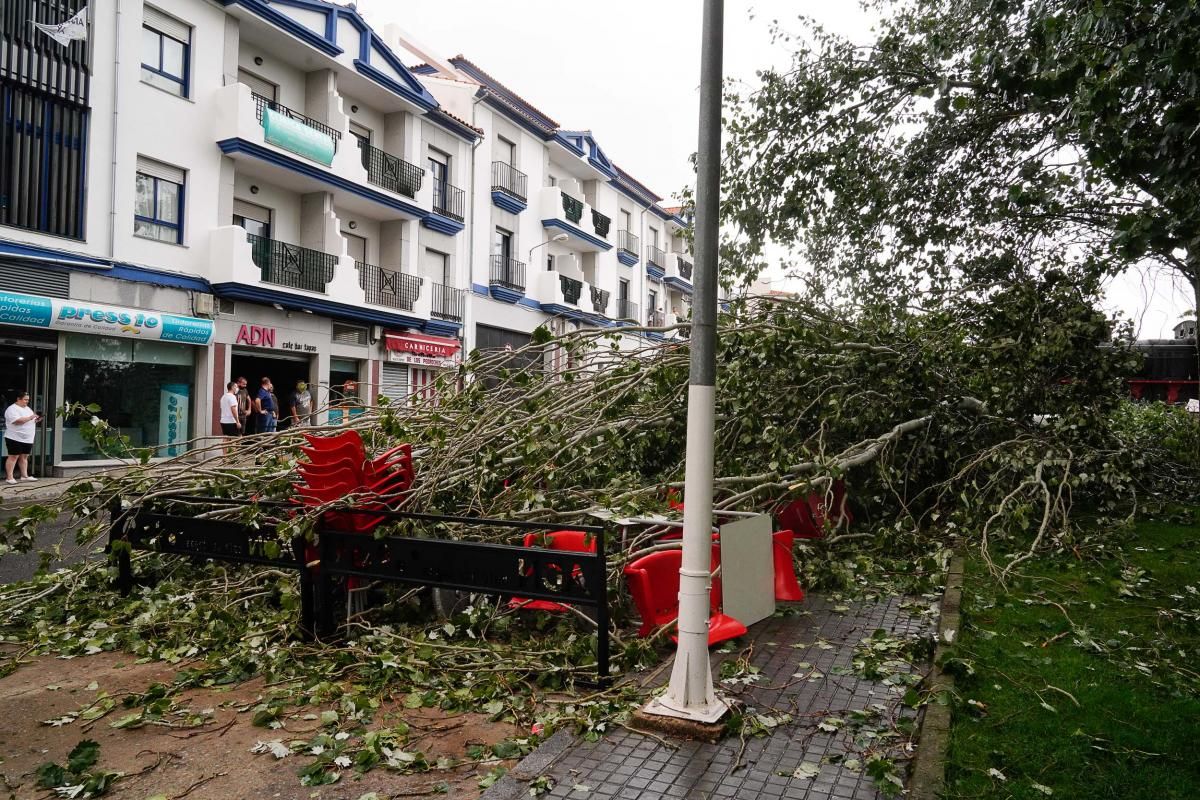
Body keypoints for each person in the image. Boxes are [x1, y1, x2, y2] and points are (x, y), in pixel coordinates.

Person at [4, 391, 40, 485]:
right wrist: (30, 417)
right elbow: (17, 421)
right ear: (18, 399)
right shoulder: (12, 409)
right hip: (14, 437)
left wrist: (36, 420)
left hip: (27, 438)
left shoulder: (28, 408)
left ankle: (24, 476)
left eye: (28, 400)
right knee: (13, 456)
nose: (27, 401)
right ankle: (9, 477)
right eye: (25, 399)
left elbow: (30, 419)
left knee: (24, 457)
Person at [219, 381, 241, 453]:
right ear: (232, 387)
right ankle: (233, 456)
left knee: (225, 438)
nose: (237, 388)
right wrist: (237, 421)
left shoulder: (223, 397)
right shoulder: (232, 397)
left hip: (223, 420)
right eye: (236, 386)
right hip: (231, 421)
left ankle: (224, 456)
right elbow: (233, 409)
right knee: (235, 439)